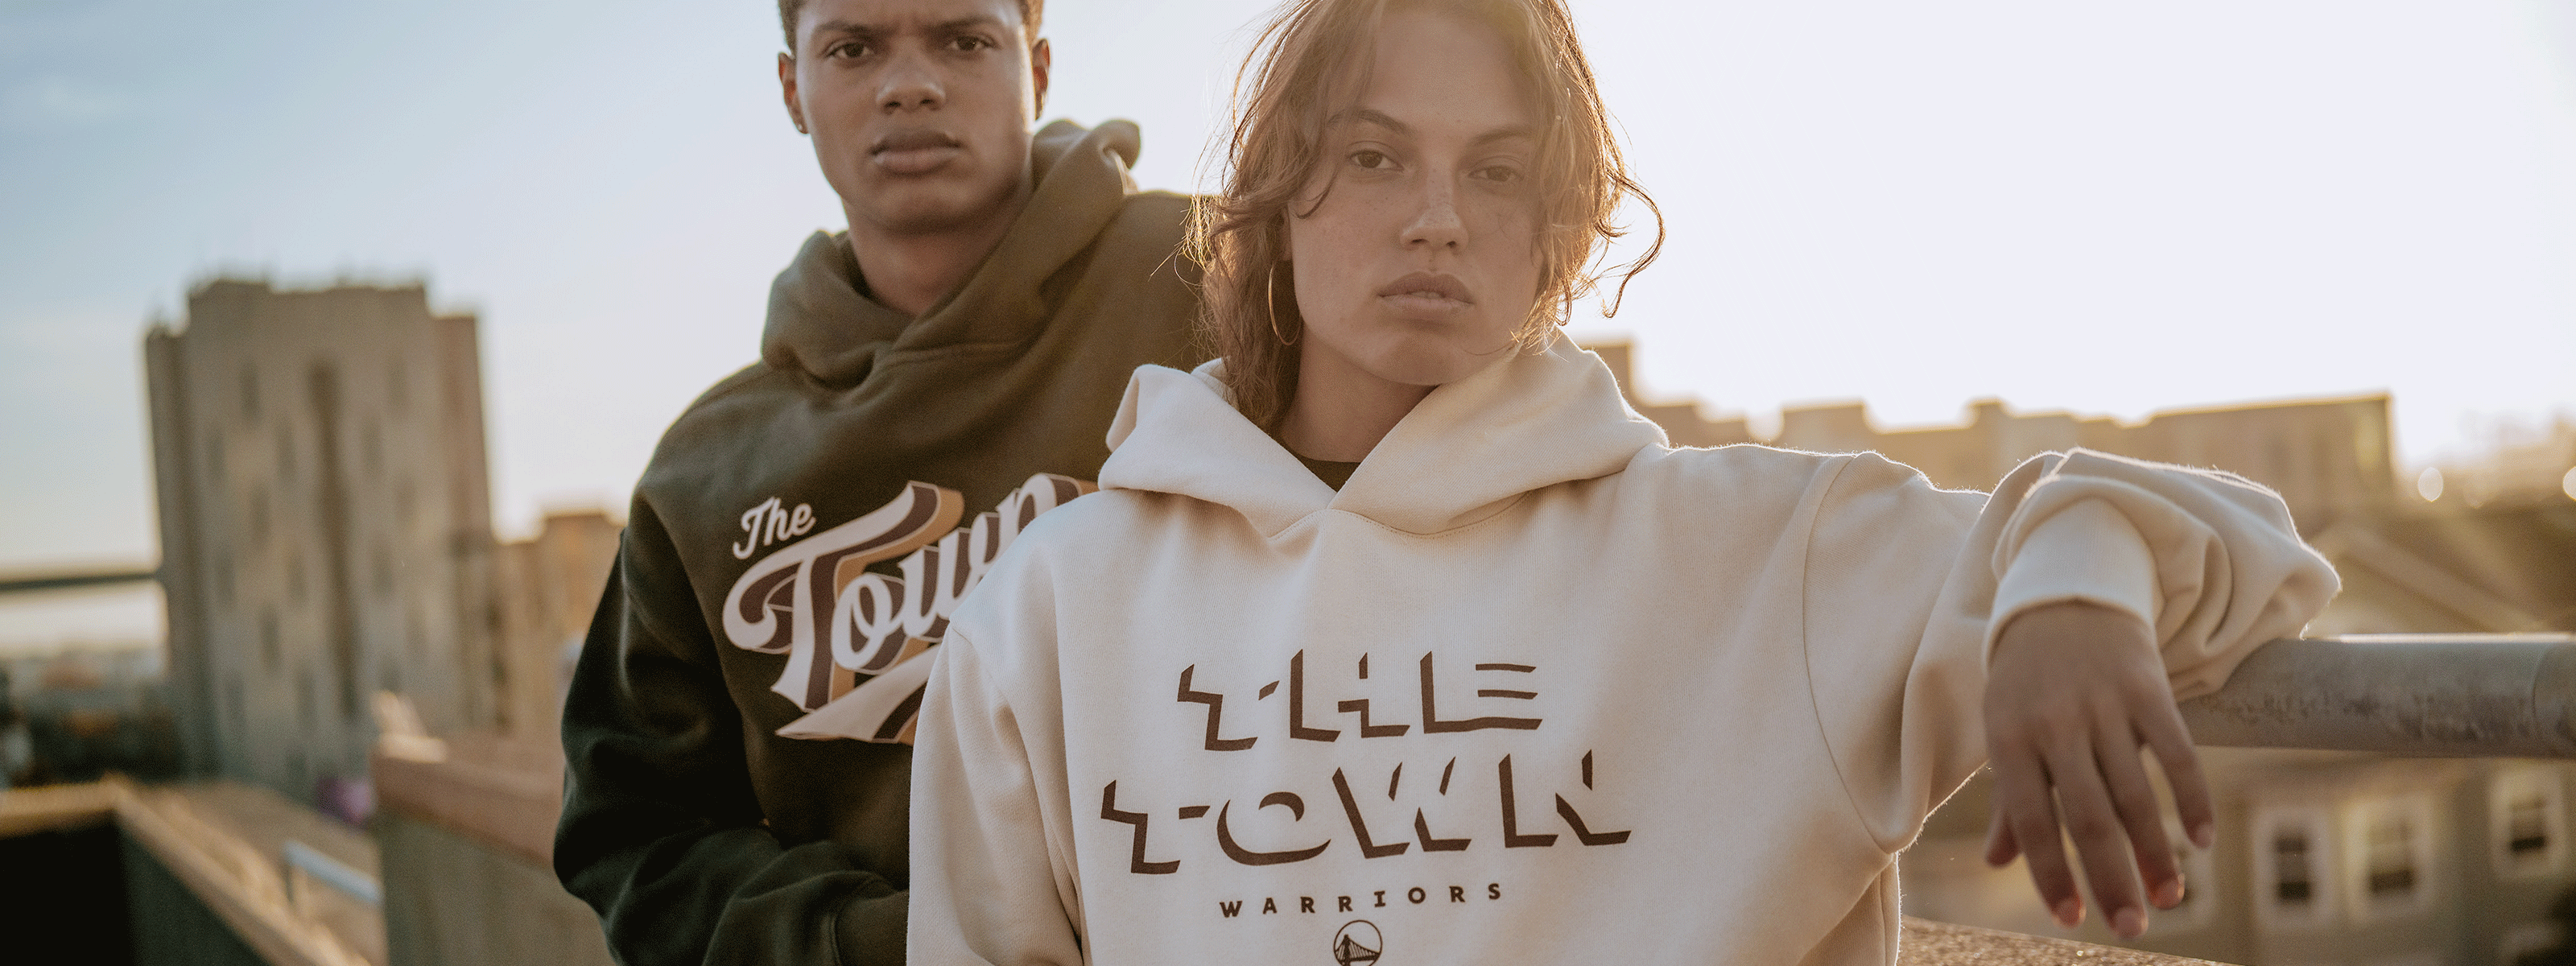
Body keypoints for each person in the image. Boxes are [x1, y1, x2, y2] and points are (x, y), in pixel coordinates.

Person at [901, 0, 2342, 962]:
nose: (1437, 219)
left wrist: (2069, 586)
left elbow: (2236, 537)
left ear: (1559, 226)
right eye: (1377, 156)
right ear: (1278, 197)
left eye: (1498, 173)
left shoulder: (1752, 555)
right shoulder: (1056, 605)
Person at [550, 0, 1203, 962]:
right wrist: (880, 944)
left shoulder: (1216, 287)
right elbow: (638, 835)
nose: (910, 85)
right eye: (853, 48)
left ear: (1037, 68)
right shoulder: (703, 473)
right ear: (792, 89)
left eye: (963, 41)